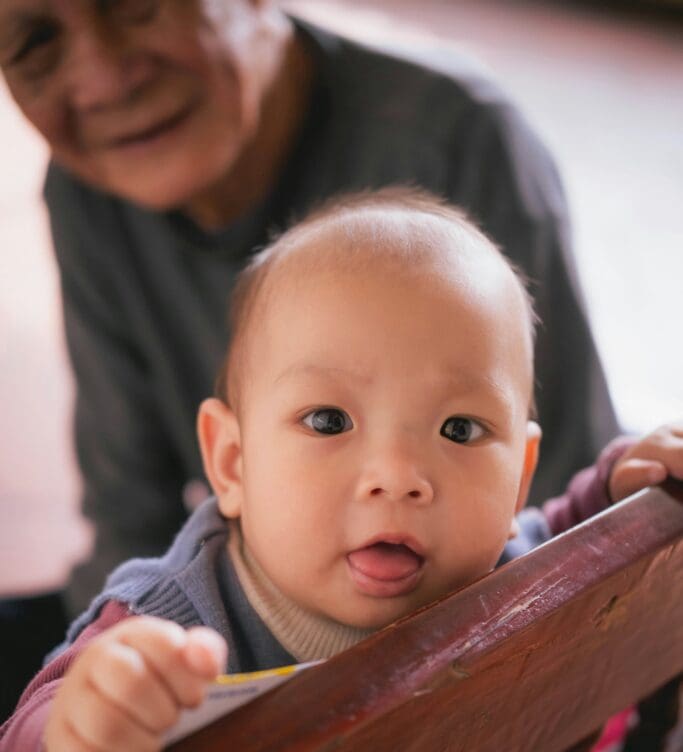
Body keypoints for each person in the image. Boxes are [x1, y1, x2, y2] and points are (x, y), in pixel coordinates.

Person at [1, 191, 679, 752]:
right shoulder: (172, 625)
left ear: (517, 475)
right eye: (328, 421)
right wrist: (72, 745)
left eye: (460, 428)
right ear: (232, 461)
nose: (396, 475)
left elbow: (562, 548)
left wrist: (613, 492)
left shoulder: (493, 571)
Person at [0, 0, 617, 618]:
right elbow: (128, 519)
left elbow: (572, 540)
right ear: (228, 458)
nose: (103, 79)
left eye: (138, 6)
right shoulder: (90, 192)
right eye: (33, 43)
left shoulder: (455, 144)